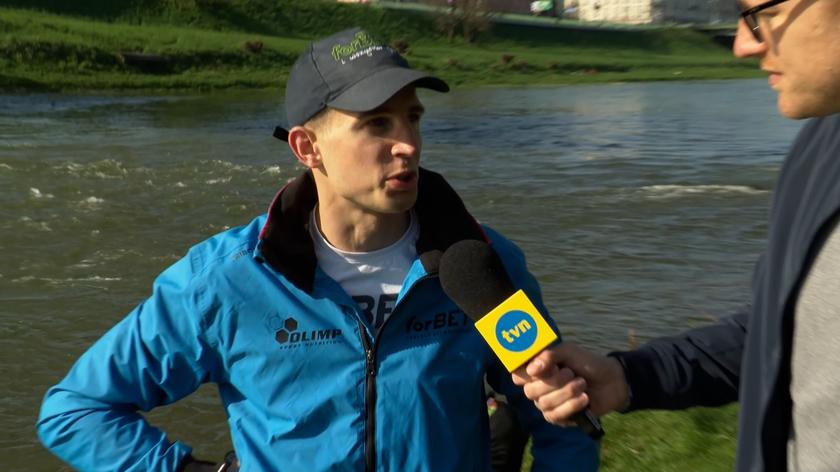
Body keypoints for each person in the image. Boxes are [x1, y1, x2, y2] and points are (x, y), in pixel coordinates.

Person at [36, 27, 599, 471]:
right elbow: (76, 411)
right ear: (308, 148)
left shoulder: (478, 264)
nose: (407, 143)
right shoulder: (226, 281)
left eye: (412, 118)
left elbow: (562, 412)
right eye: (377, 124)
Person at [512, 1, 840, 471]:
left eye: (764, 13)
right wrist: (630, 377)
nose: (744, 44)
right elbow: (782, 332)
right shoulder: (820, 147)